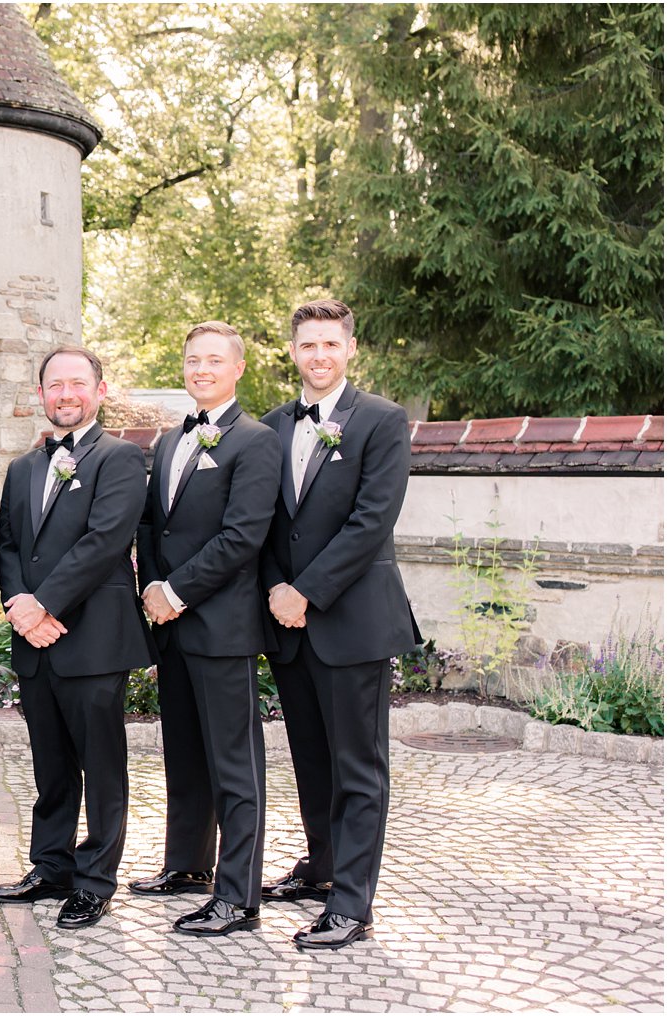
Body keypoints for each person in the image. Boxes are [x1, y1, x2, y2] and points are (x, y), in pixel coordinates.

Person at [259, 299, 420, 950]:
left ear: (351, 349)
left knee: (358, 767)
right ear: (292, 353)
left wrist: (306, 592)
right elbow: (262, 521)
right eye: (307, 345)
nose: (319, 355)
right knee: (310, 761)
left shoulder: (382, 421)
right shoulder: (270, 426)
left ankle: (353, 904)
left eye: (330, 344)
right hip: (288, 624)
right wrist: (275, 585)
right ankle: (323, 869)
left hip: (350, 621)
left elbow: (370, 522)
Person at [0, 347, 151, 930]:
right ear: (41, 395)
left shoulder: (121, 459)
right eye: (54, 385)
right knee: (50, 765)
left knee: (102, 765)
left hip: (94, 637)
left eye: (77, 384)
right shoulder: (24, 468)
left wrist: (44, 603)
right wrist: (20, 606)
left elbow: (105, 541)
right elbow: (6, 544)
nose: (65, 394)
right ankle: (51, 865)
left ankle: (95, 879)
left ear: (99, 392)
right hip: (36, 639)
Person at [130, 322, 279, 936]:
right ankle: (187, 864)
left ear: (237, 368)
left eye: (214, 361)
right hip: (172, 624)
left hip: (221, 626)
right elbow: (151, 525)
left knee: (233, 762)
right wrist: (150, 588)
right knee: (184, 753)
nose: (201, 370)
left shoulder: (257, 442)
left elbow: (243, 536)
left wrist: (177, 591)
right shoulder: (168, 441)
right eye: (192, 360)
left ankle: (237, 896)